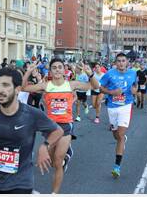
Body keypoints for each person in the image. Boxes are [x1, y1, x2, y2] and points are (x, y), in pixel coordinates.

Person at [0, 67, 64, 194]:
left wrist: (45, 146)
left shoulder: (31, 114)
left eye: (6, 85)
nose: (0, 90)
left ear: (17, 89)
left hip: (22, 182)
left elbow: (58, 131)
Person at [22, 58, 99, 193]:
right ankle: (67, 155)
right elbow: (24, 88)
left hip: (65, 126)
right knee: (53, 162)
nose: (57, 69)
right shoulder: (46, 85)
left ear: (64, 70)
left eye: (60, 67)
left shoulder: (71, 85)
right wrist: (28, 72)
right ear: (50, 71)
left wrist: (90, 74)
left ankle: (54, 193)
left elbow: (94, 86)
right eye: (54, 67)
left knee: (57, 163)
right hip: (50, 127)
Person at [100, 53, 138, 178]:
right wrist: (111, 92)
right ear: (115, 63)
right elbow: (101, 88)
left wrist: (134, 91)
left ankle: (117, 167)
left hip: (126, 106)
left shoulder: (132, 73)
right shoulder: (110, 73)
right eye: (119, 61)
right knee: (116, 135)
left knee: (120, 135)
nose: (121, 63)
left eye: (123, 61)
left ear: (127, 62)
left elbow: (135, 86)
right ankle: (122, 138)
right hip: (112, 107)